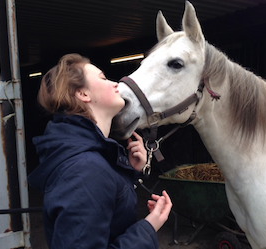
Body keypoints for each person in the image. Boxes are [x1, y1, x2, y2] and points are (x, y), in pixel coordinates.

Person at [28, 53, 172, 249]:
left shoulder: (89, 158)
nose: (116, 84)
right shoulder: (85, 170)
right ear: (83, 94)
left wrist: (129, 171)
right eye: (103, 78)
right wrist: (148, 227)